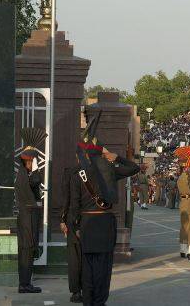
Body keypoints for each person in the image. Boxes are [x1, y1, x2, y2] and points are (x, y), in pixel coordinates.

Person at [69, 112, 139, 306]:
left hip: (87, 223)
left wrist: (75, 226)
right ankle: (100, 301)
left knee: (88, 266)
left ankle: (88, 301)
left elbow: (75, 205)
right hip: (105, 223)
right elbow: (134, 168)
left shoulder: (78, 174)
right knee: (104, 266)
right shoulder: (109, 169)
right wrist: (117, 157)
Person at [15, 128, 46, 294]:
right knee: (27, 249)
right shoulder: (26, 176)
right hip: (28, 216)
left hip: (27, 215)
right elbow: (36, 180)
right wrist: (34, 165)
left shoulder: (22, 174)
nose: (33, 162)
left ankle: (25, 283)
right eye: (32, 160)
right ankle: (25, 284)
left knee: (27, 249)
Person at [60, 166, 83, 303]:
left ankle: (76, 292)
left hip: (73, 221)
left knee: (74, 258)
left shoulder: (70, 172)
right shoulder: (97, 171)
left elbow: (66, 198)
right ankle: (86, 289)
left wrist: (63, 219)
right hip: (90, 221)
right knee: (87, 259)